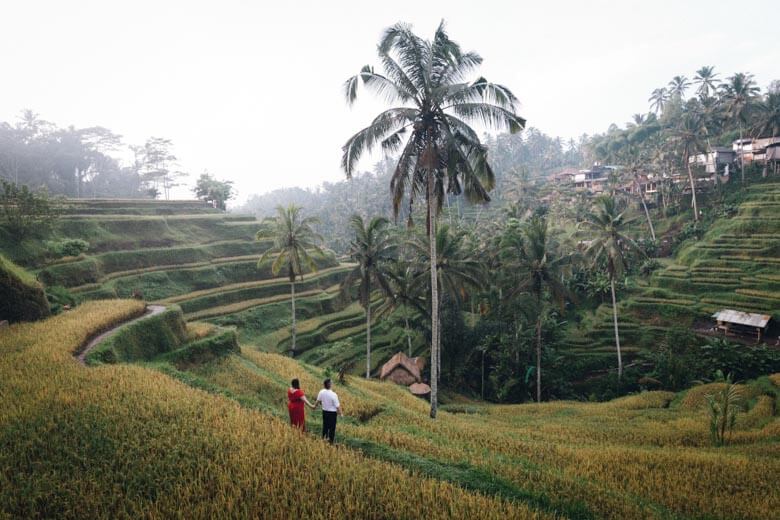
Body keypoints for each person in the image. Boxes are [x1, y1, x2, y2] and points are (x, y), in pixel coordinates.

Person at [313, 378, 343, 443]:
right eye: (331, 383)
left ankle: (324, 439)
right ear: (330, 385)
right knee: (332, 428)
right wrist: (341, 414)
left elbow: (317, 401)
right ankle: (330, 441)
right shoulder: (333, 394)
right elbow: (338, 406)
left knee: (325, 426)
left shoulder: (321, 392)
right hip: (332, 414)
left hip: (324, 412)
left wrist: (314, 406)